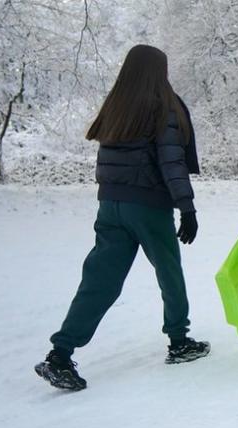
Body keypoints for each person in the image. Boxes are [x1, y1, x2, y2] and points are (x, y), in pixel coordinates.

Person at [34, 45, 210, 392]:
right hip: (148, 206)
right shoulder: (163, 106)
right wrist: (187, 208)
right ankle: (179, 342)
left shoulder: (117, 105)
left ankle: (60, 354)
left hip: (111, 204)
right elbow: (171, 161)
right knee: (169, 272)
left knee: (100, 280)